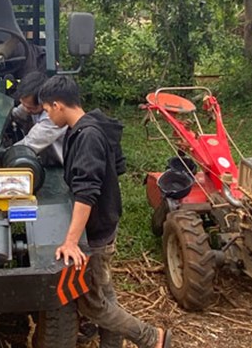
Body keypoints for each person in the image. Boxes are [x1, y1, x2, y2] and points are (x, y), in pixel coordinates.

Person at [37, 75, 172, 348]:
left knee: (92, 304)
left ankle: (152, 337)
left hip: (97, 231)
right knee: (104, 290)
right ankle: (112, 344)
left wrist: (71, 240)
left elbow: (87, 192)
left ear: (58, 105)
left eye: (47, 109)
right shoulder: (89, 126)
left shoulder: (86, 136)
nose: (47, 115)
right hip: (105, 222)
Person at [11, 71, 66, 166]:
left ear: (43, 102)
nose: (26, 110)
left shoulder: (53, 118)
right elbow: (15, 114)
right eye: (23, 104)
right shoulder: (30, 104)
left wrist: (1, 153)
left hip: (61, 167)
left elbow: (28, 145)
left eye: (31, 108)